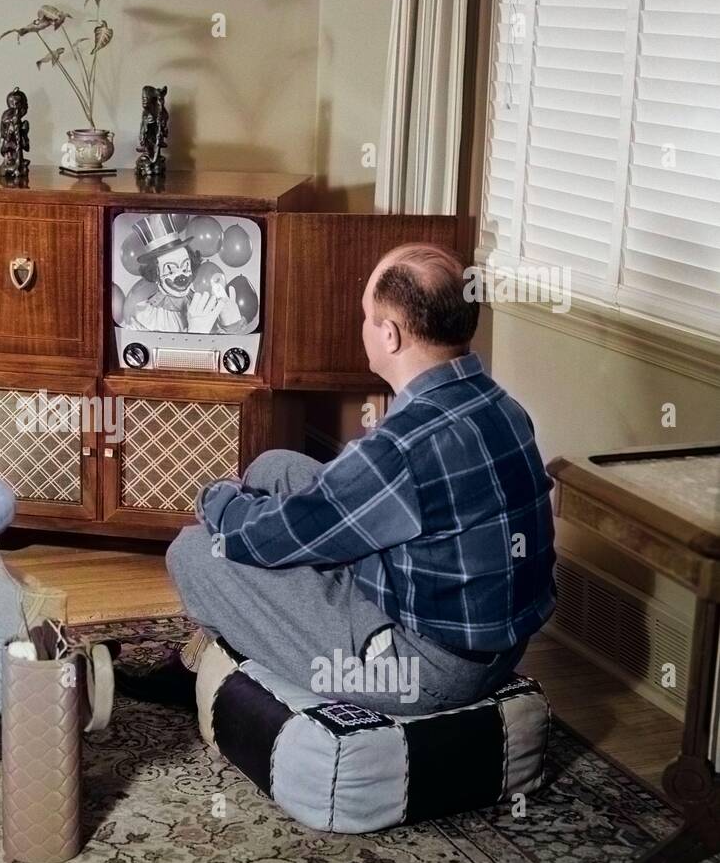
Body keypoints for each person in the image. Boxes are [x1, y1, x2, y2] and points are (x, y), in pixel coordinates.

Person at [165, 243, 556, 715]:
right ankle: (214, 645)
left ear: (389, 335)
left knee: (192, 551)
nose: (364, 327)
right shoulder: (500, 404)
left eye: (366, 316)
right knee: (275, 467)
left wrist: (214, 498)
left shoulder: (400, 447)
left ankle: (210, 660)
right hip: (497, 647)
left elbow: (264, 538)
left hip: (425, 669)